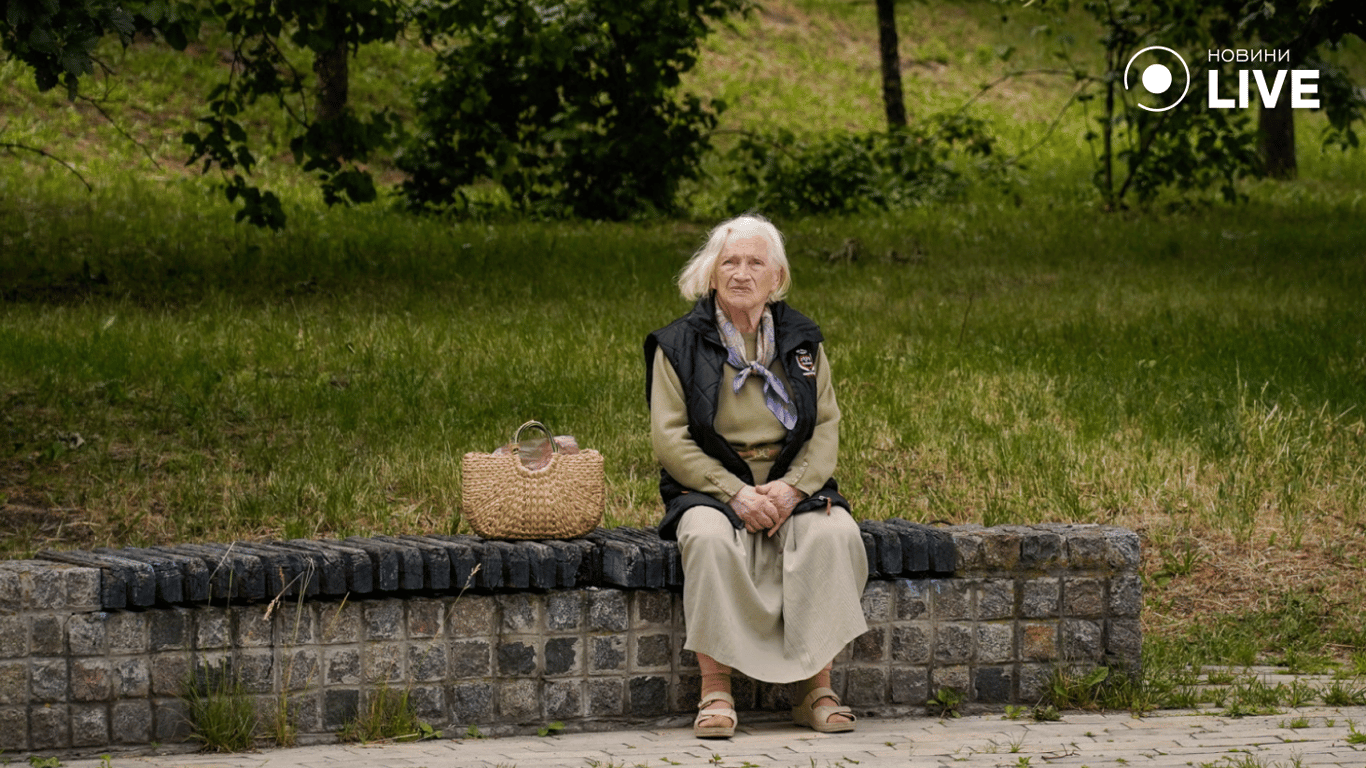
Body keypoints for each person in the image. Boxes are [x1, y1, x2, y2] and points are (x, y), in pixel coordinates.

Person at [643, 213, 869, 739]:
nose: (741, 273)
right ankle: (715, 691)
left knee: (834, 534)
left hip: (791, 482)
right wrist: (736, 493)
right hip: (711, 486)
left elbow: (827, 425)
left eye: (754, 262)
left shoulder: (803, 342)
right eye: (729, 261)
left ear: (777, 279)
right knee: (705, 538)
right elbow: (670, 439)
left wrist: (793, 490)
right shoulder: (677, 345)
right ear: (711, 274)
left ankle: (816, 689)